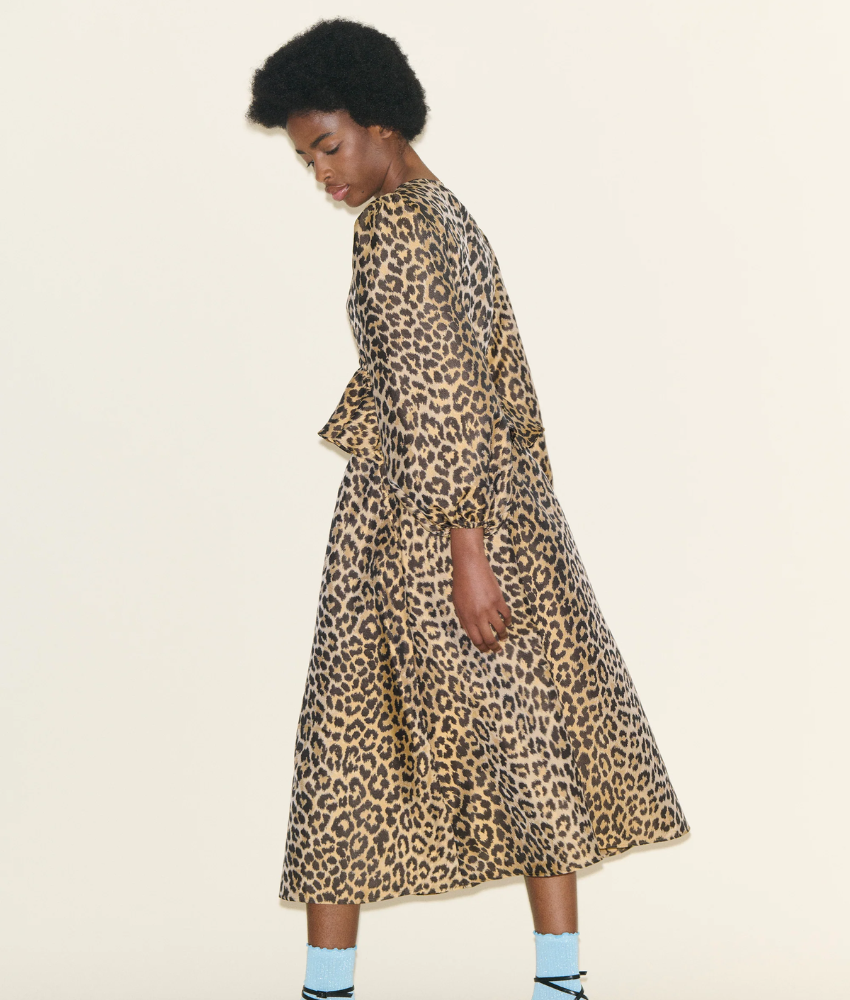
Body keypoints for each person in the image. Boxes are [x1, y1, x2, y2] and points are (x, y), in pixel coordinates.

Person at [247, 17, 689, 1000]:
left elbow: (441, 393)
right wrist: (501, 528)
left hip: (418, 525)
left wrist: (465, 551)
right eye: (306, 158)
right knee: (523, 734)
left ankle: (333, 989)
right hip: (494, 511)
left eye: (329, 146)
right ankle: (559, 983)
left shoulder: (392, 229)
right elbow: (482, 381)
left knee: (349, 752)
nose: (322, 173)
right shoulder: (447, 212)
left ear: (381, 121)